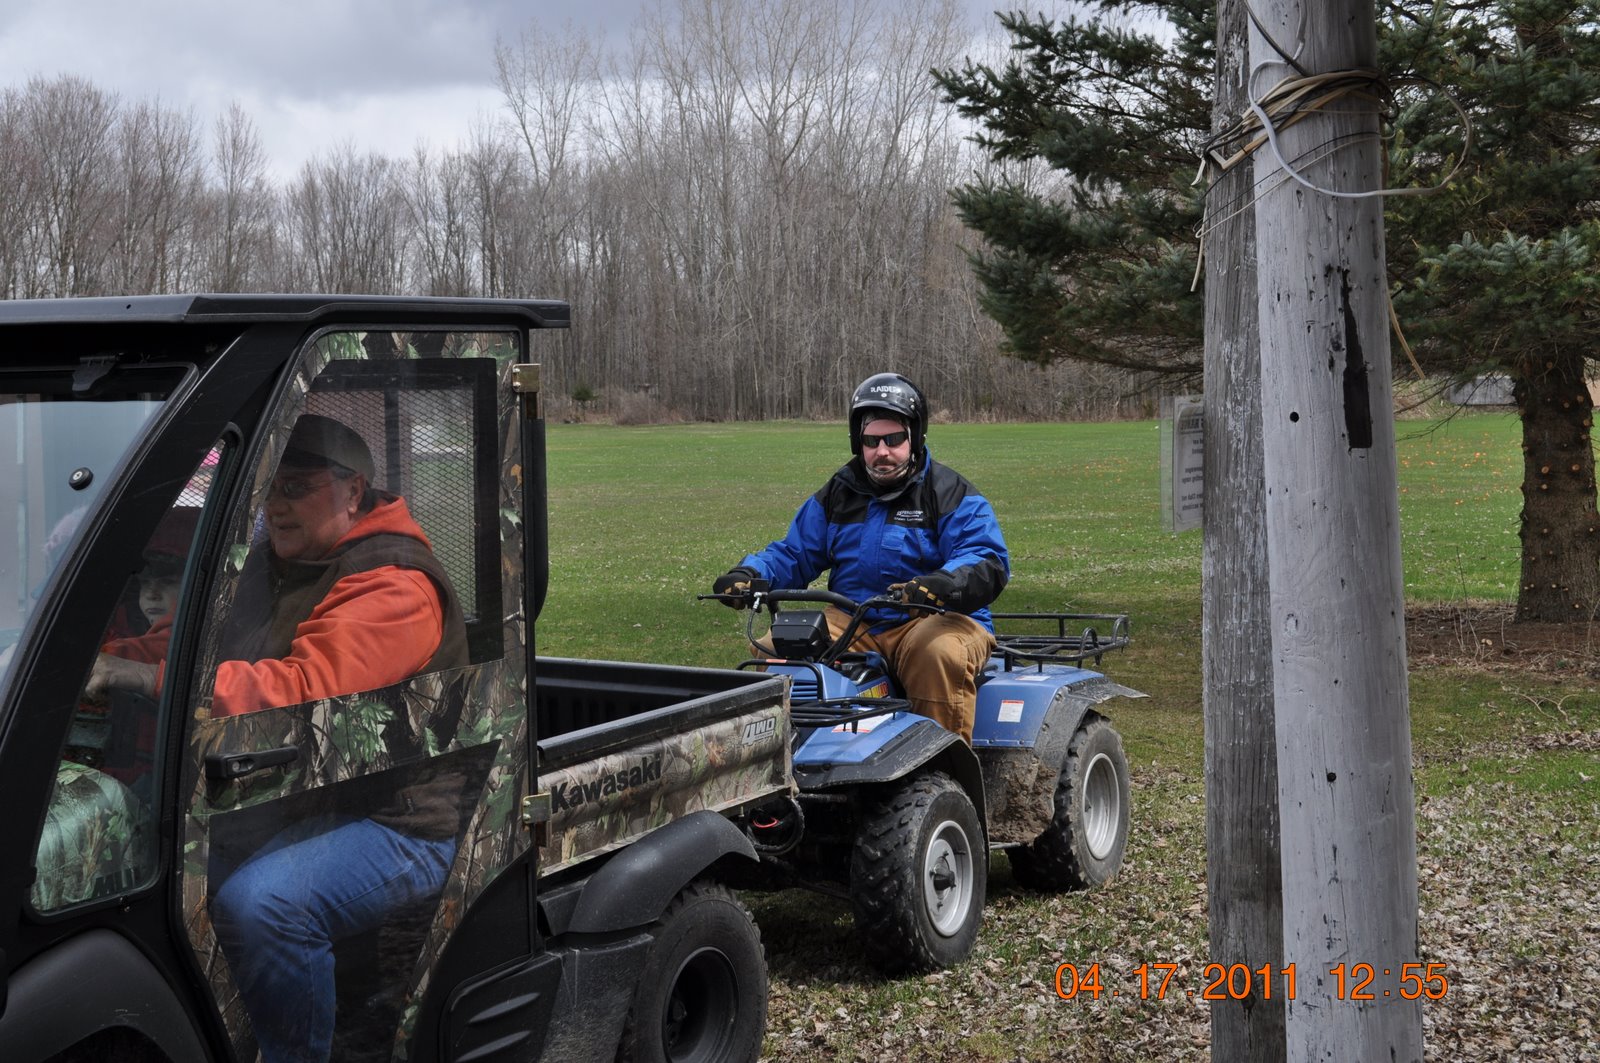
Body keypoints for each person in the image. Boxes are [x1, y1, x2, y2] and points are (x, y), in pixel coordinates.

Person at [111, 413, 468, 1063]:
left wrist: (145, 677)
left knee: (264, 902)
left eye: (296, 487)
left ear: (353, 492)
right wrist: (103, 658)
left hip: (399, 821)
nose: (275, 506)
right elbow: (194, 643)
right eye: (269, 489)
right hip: (304, 797)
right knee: (133, 844)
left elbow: (305, 691)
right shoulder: (287, 562)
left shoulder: (397, 584)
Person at [712, 373, 1009, 743]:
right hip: (856, 617)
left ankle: (944, 772)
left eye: (893, 439)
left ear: (915, 438)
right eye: (871, 441)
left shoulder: (949, 493)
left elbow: (985, 558)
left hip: (936, 617)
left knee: (939, 655)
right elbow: (794, 552)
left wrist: (942, 585)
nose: (881, 451)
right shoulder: (840, 492)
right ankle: (785, 759)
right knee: (772, 651)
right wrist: (751, 572)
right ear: (859, 442)